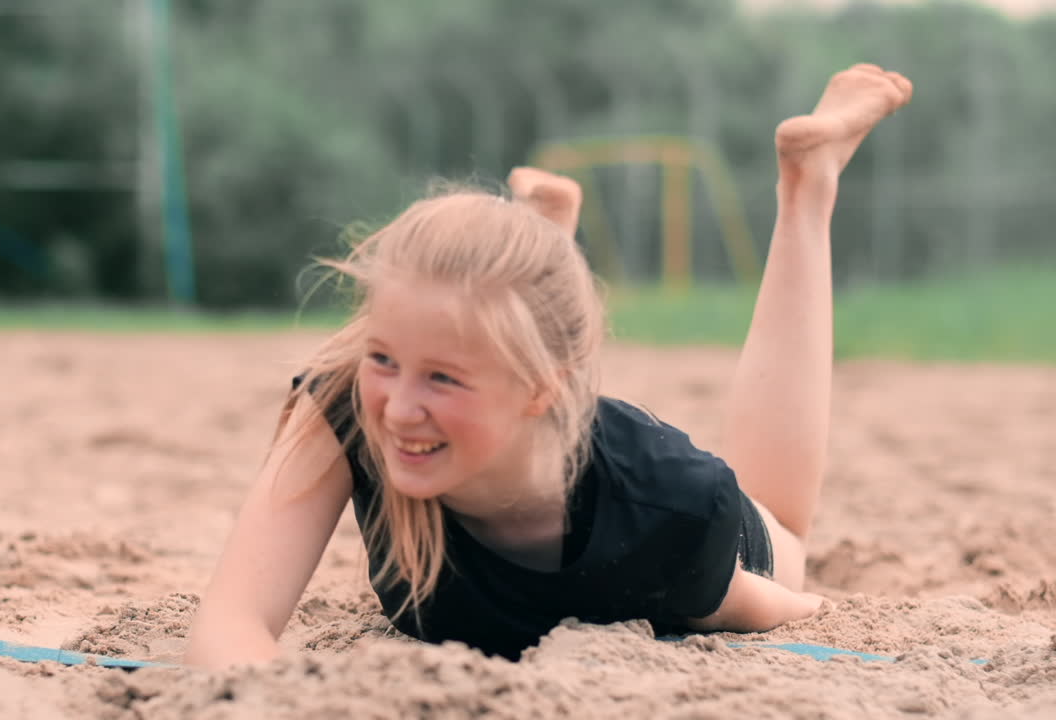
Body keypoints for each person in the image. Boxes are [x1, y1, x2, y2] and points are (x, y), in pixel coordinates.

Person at [183, 64, 914, 669]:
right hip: (537, 411)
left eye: (442, 377)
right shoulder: (352, 402)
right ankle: (543, 241)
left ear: (543, 385)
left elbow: (779, 608)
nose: (400, 407)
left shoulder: (672, 515)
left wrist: (817, 607)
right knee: (445, 363)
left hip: (653, 501)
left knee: (788, 530)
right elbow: (232, 625)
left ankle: (808, 190)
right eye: (385, 357)